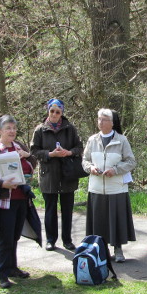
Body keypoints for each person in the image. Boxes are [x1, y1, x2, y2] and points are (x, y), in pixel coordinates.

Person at [0, 115, 38, 289]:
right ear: (0, 131)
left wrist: (28, 155)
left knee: (14, 236)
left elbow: (33, 164)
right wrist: (2, 184)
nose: (12, 131)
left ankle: (12, 268)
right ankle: (2, 274)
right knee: (5, 238)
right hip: (4, 201)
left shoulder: (19, 146)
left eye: (14, 128)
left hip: (21, 199)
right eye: (8, 128)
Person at [82, 108, 137, 262]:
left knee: (117, 220)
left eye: (105, 119)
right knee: (98, 221)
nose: (101, 122)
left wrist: (116, 170)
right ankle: (99, 251)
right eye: (99, 118)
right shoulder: (92, 140)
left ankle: (118, 250)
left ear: (112, 123)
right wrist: (90, 168)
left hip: (116, 188)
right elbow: (85, 160)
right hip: (96, 188)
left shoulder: (122, 140)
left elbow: (131, 162)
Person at [30, 98, 84, 252]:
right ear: (48, 111)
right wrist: (50, 154)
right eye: (52, 111)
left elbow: (79, 147)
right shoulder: (40, 130)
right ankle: (50, 240)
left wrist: (69, 152)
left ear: (62, 113)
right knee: (50, 209)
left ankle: (67, 240)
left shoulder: (70, 128)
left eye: (57, 112)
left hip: (68, 174)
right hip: (49, 174)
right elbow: (34, 151)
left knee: (67, 209)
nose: (54, 114)